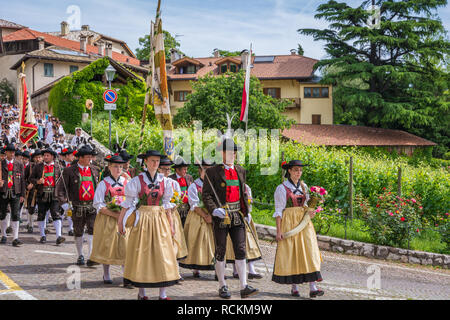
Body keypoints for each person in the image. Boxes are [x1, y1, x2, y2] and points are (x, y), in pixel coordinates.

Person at [118, 149, 180, 300]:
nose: (155, 163)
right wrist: (121, 222)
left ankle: (163, 294)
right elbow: (127, 204)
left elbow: (167, 206)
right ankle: (142, 293)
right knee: (142, 254)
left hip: (160, 219)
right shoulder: (136, 181)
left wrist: (171, 225)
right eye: (152, 160)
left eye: (157, 161)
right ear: (146, 161)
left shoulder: (165, 181)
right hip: (143, 219)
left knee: (163, 253)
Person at [202, 139, 258, 299]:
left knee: (241, 249)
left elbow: (243, 193)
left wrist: (246, 210)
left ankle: (244, 286)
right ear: (222, 153)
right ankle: (222, 285)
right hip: (222, 216)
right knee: (221, 250)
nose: (231, 155)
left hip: (237, 215)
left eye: (234, 152)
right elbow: (206, 195)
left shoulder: (241, 170)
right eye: (228, 152)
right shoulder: (212, 172)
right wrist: (214, 210)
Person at [272, 160, 324, 298]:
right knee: (292, 253)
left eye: (300, 170)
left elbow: (306, 205)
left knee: (310, 251)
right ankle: (294, 287)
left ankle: (313, 287)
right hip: (289, 222)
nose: (298, 173)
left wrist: (311, 211)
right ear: (289, 171)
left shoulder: (304, 186)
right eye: (295, 170)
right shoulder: (281, 188)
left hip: (304, 222)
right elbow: (278, 211)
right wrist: (278, 231)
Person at [91, 154, 132, 288]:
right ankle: (106, 273)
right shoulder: (103, 183)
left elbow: (133, 200)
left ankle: (126, 275)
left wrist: (125, 214)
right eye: (115, 166)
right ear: (109, 167)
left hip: (124, 219)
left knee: (126, 246)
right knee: (108, 245)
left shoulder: (127, 183)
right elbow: (98, 204)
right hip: (108, 219)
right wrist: (114, 215)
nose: (118, 169)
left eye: (120, 166)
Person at [57, 145, 100, 266]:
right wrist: (64, 204)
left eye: (91, 157)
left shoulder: (95, 169)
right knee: (78, 231)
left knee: (93, 230)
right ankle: (80, 254)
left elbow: (99, 187)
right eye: (87, 157)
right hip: (77, 206)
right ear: (80, 158)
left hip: (92, 206)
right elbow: (60, 189)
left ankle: (91, 255)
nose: (90, 159)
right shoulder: (69, 171)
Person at [179, 160, 216, 278]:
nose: (207, 172)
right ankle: (195, 267)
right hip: (198, 216)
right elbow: (194, 204)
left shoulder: (215, 185)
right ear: (200, 170)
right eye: (204, 169)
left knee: (215, 242)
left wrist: (212, 214)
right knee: (196, 241)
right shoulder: (194, 186)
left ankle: (217, 269)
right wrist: (205, 215)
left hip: (213, 216)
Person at [158, 155, 188, 279]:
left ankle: (176, 271)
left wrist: (173, 206)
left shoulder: (173, 183)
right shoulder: (155, 182)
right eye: (164, 169)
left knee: (175, 242)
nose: (167, 172)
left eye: (168, 169)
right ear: (159, 169)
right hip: (158, 215)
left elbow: (178, 199)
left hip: (172, 214)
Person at [226, 183, 263, 279]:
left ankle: (251, 269)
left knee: (249, 242)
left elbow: (249, 201)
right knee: (233, 243)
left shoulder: (246, 187)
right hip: (232, 216)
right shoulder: (228, 185)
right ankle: (235, 270)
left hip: (245, 216)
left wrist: (248, 213)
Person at [30, 148, 65, 245]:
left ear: (52, 157)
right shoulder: (38, 167)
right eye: (44, 155)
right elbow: (31, 178)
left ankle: (58, 236)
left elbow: (63, 182)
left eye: (47, 155)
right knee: (41, 214)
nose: (45, 157)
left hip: (54, 195)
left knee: (56, 214)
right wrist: (37, 181)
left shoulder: (59, 167)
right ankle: (42, 236)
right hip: (42, 194)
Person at [0, 144, 26, 247]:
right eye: (10, 151)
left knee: (16, 214)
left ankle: (15, 237)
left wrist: (22, 194)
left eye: (13, 152)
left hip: (16, 191)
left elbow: (23, 180)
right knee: (2, 214)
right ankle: (4, 235)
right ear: (5, 153)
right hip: (3, 192)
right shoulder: (1, 164)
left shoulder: (19, 164)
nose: (12, 153)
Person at [169, 158, 193, 226]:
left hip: (187, 208)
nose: (186, 171)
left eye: (186, 169)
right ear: (177, 170)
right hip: (175, 208)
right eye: (184, 169)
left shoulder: (189, 177)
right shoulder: (170, 179)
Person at [25, 150, 43, 233]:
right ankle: (30, 224)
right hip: (32, 191)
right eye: (36, 157)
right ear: (34, 158)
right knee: (31, 208)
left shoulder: (44, 167)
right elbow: (24, 178)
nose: (38, 159)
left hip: (41, 190)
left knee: (43, 209)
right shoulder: (29, 167)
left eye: (39, 157)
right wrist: (27, 185)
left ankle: (43, 227)